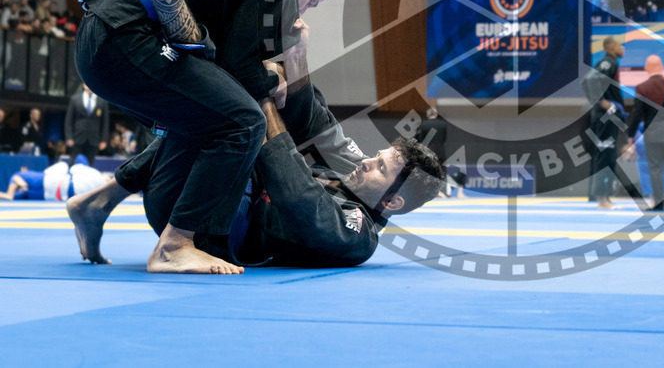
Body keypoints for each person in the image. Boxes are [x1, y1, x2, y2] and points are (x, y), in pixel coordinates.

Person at [72, 0, 337, 274]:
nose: (306, 10)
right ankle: (175, 244)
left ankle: (96, 201)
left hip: (100, 38)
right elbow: (239, 68)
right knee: (244, 121)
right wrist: (274, 80)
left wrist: (266, 72)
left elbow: (227, 64)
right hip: (126, 37)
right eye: (314, 1)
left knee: (207, 117)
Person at [67, 67, 446, 269]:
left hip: (206, 229)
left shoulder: (359, 235)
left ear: (392, 203)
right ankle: (101, 200)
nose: (366, 161)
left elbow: (297, 195)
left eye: (379, 166)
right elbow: (316, 118)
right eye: (376, 156)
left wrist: (262, 99)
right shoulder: (347, 182)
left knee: (235, 117)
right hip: (197, 200)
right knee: (230, 105)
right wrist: (289, 61)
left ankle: (109, 201)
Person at [624, 55, 664, 211]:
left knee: (655, 169)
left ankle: (659, 203)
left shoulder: (642, 87)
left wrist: (630, 135)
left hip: (652, 136)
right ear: (661, 68)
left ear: (647, 68)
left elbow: (637, 113)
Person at [581, 36, 626, 210]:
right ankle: (602, 199)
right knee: (605, 156)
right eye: (620, 45)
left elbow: (586, 81)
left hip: (607, 116)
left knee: (608, 156)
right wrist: (601, 102)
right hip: (604, 116)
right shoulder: (609, 63)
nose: (623, 48)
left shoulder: (609, 64)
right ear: (612, 47)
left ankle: (604, 197)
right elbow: (591, 80)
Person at [0, 159, 108, 201]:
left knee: (19, 194)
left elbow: (17, 183)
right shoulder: (95, 175)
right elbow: (17, 179)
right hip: (51, 187)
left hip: (52, 192)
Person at [64, 83, 110, 166]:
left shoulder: (102, 101)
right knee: (74, 164)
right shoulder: (75, 99)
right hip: (77, 138)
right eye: (86, 84)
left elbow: (105, 122)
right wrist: (69, 137)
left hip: (93, 139)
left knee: (90, 165)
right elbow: (69, 120)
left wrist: (104, 140)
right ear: (83, 85)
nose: (89, 86)